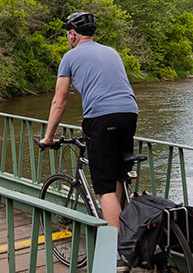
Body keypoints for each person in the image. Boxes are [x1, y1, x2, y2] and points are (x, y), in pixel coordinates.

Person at [39, 12, 139, 233]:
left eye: (68, 34)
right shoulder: (112, 52)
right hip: (129, 114)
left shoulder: (70, 57)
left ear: (73, 35)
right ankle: (129, 237)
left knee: (104, 188)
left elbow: (59, 101)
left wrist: (47, 138)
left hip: (102, 118)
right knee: (117, 176)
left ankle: (118, 251)